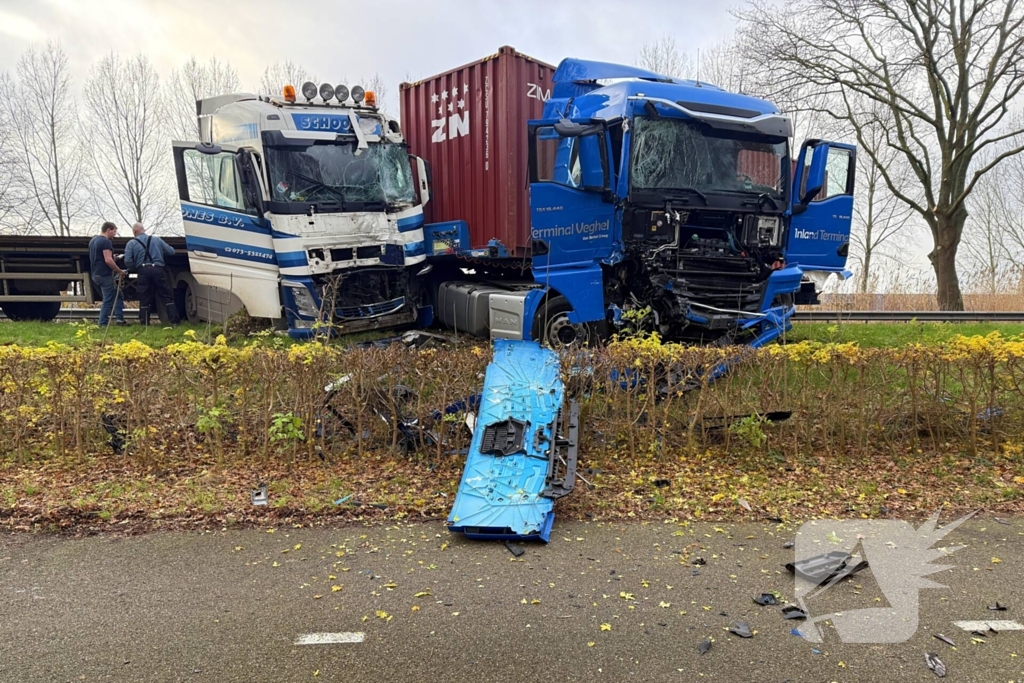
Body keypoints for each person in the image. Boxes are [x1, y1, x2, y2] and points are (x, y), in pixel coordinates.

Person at [123, 222, 180, 326]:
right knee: (166, 295)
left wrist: (135, 268)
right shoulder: (157, 239)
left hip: (143, 271)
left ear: (134, 231)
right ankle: (174, 321)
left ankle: (144, 323)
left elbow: (127, 260)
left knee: (144, 296)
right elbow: (171, 251)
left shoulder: (131, 243)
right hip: (158, 269)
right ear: (143, 229)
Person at [88, 222, 127, 326]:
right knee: (108, 299)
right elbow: (108, 260)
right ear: (108, 230)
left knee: (118, 295)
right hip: (104, 275)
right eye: (114, 231)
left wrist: (114, 257)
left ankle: (119, 319)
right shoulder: (106, 242)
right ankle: (102, 323)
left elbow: (100, 257)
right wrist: (119, 271)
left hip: (96, 273)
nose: (115, 234)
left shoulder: (93, 241)